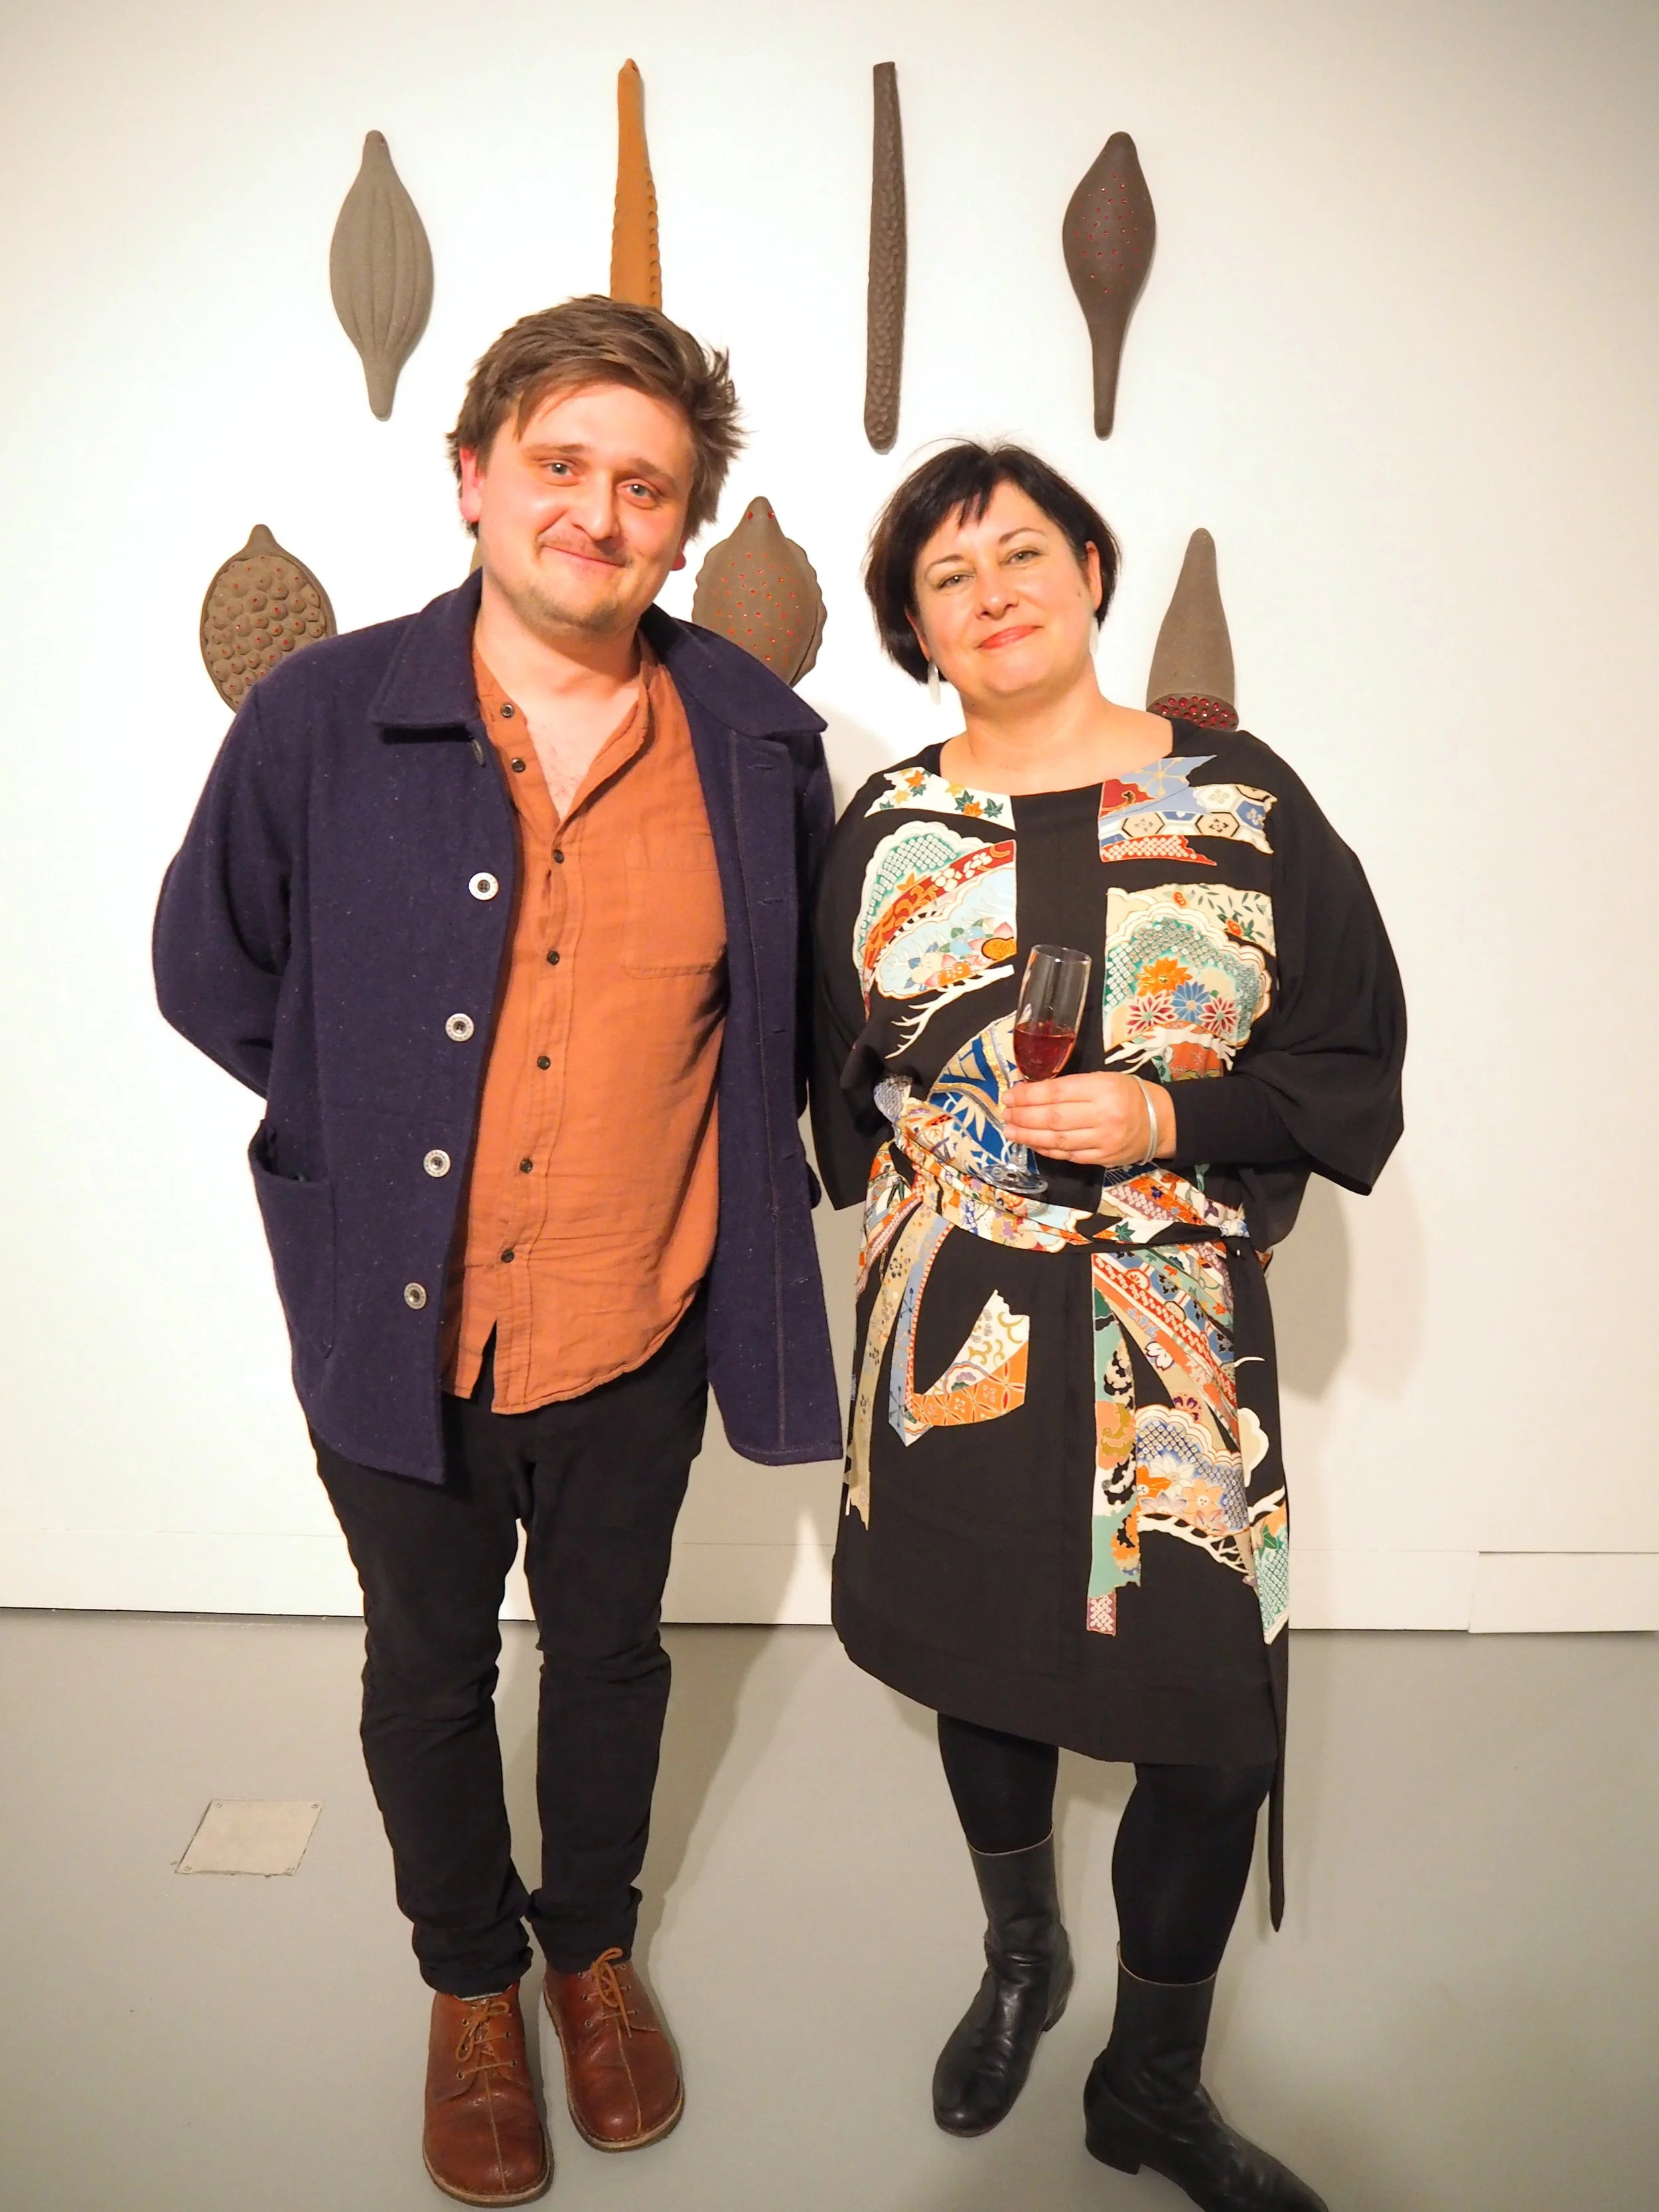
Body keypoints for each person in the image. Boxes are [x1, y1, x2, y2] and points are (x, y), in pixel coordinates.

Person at [155, 296, 842, 2207]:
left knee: (612, 1657)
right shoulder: (321, 715)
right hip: (396, 1322)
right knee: (428, 1666)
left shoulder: (758, 743)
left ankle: (588, 1948)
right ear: (471, 479)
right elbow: (214, 970)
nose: (598, 515)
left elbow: (796, 1016)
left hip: (641, 1313)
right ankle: (470, 1988)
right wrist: (360, 1140)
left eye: (646, 488)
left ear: (684, 528)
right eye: (561, 467)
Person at [811, 442, 1404, 2211]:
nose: (992, 591)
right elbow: (829, 1071)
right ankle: (1021, 1961)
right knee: (981, 1664)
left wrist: (1170, 1122)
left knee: (1208, 1728)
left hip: (1172, 1332)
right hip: (955, 1321)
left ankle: (1150, 2084)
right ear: (915, 629)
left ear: (1085, 565)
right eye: (946, 575)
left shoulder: (1246, 801)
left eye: (1019, 552)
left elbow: (1347, 1053)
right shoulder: (889, 822)